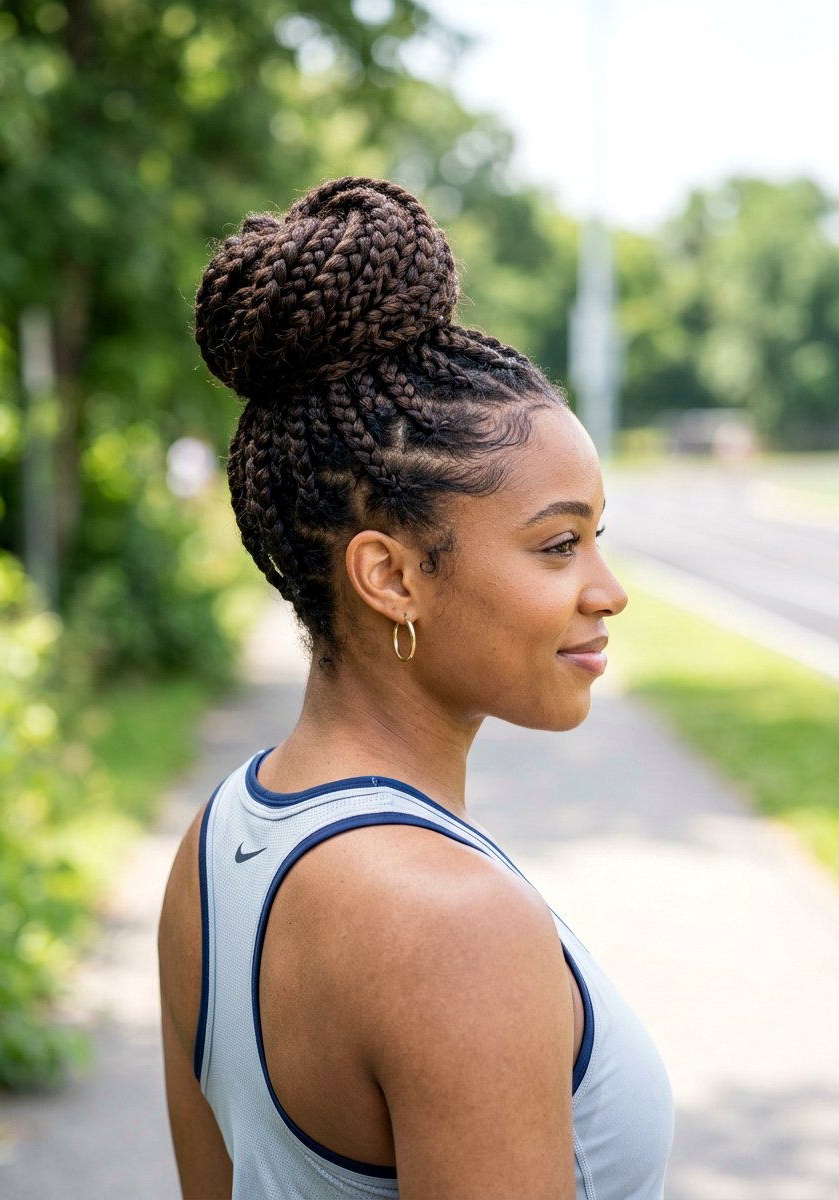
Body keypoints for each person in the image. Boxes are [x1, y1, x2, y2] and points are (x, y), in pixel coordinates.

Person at [159, 177, 674, 1200]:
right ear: (390, 575)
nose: (605, 593)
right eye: (557, 545)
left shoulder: (215, 841)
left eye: (595, 540)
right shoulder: (455, 928)